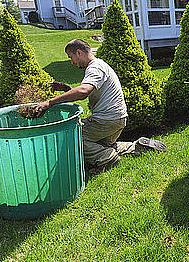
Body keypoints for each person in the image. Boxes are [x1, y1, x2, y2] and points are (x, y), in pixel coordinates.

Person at [32, 39, 166, 170]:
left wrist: (49, 102)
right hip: (117, 120)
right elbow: (88, 92)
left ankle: (106, 158)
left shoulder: (95, 67)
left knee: (71, 136)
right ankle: (135, 147)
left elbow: (83, 91)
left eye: (71, 57)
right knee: (99, 144)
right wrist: (67, 89)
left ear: (79, 52)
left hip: (106, 121)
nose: (72, 62)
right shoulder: (99, 65)